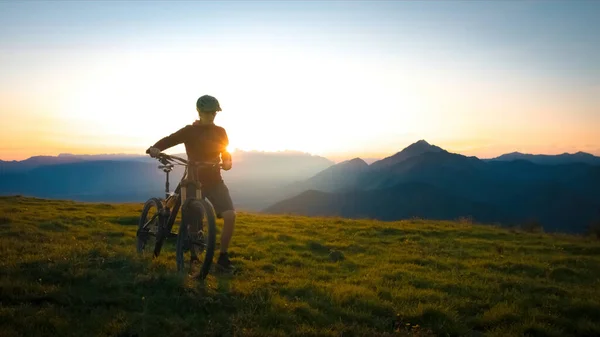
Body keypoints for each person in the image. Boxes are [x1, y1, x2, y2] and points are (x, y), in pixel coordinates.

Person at [146, 94, 236, 271]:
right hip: (193, 180)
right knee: (194, 220)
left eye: (214, 112)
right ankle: (194, 257)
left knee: (230, 216)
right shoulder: (189, 131)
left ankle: (223, 258)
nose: (212, 116)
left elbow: (225, 151)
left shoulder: (221, 132)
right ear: (200, 112)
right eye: (208, 112)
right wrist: (156, 147)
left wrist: (227, 161)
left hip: (215, 180)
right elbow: (169, 140)